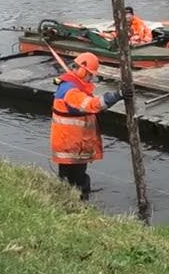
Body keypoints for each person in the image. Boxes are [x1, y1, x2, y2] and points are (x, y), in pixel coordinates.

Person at [51, 52, 120, 192]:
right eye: (90, 75)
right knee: (76, 180)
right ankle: (79, 204)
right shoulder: (71, 91)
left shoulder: (70, 84)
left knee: (68, 178)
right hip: (72, 145)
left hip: (71, 143)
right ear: (82, 70)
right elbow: (91, 105)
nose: (91, 78)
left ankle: (69, 200)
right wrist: (116, 96)